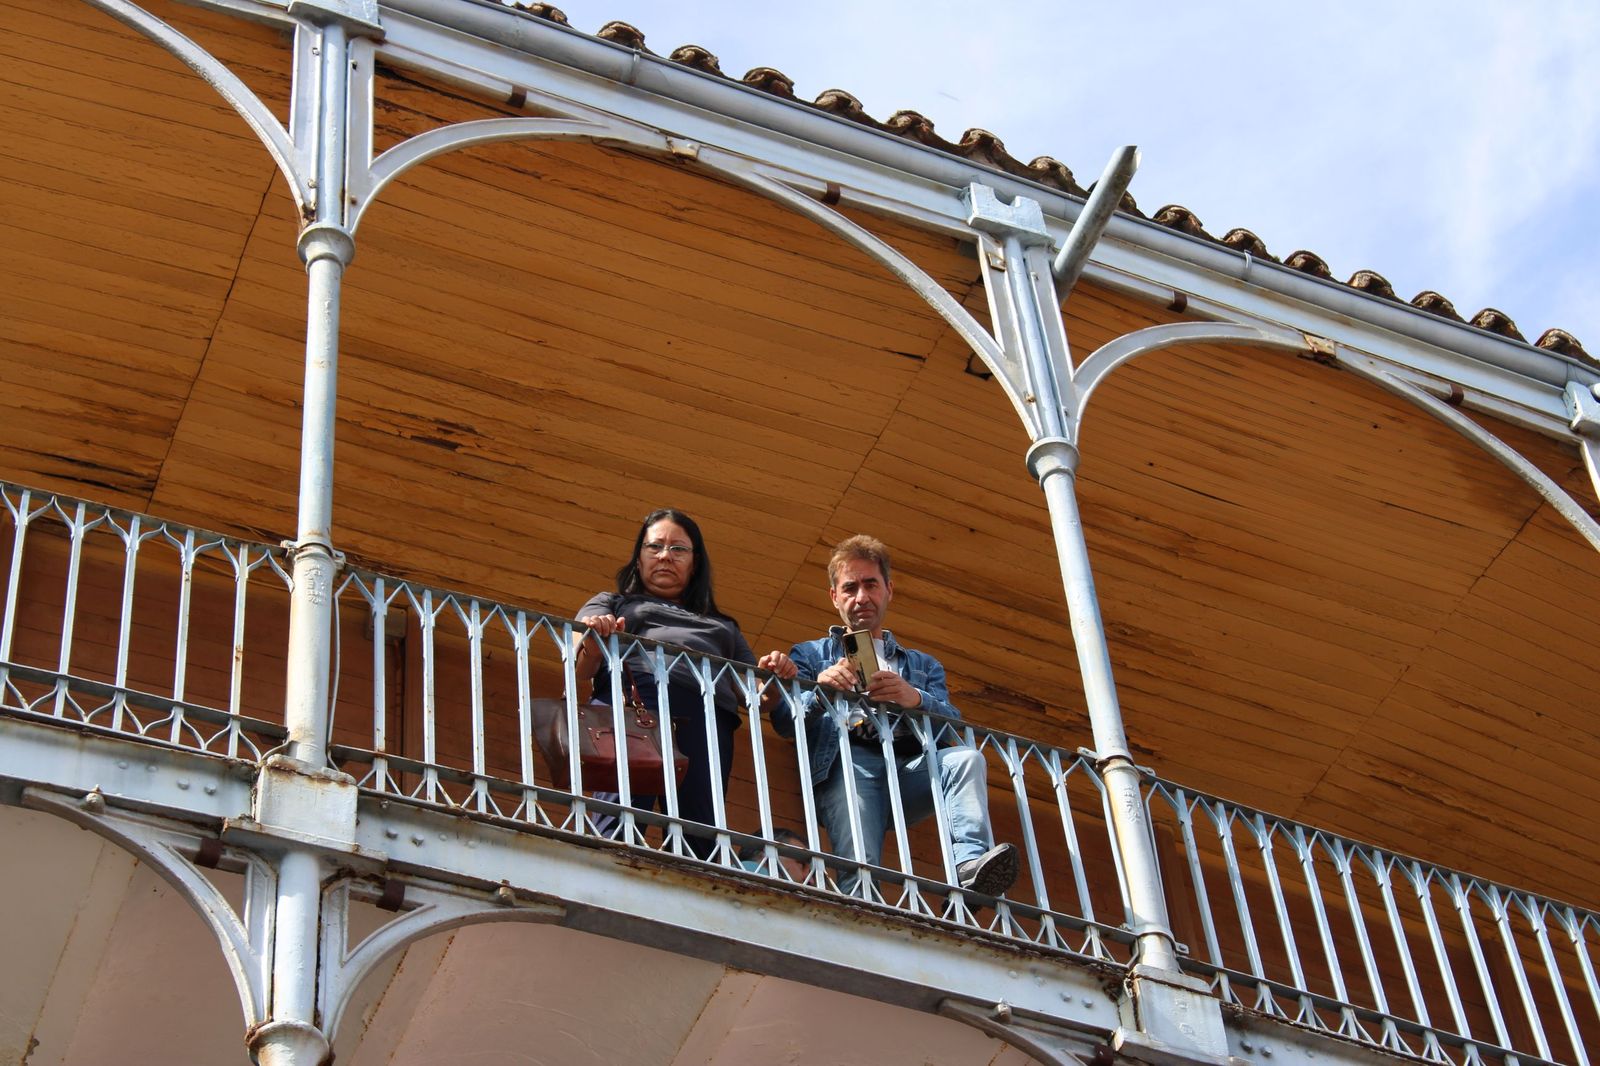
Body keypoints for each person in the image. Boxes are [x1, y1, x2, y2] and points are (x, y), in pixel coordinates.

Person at [777, 535, 1017, 896]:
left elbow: (951, 724)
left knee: (966, 759)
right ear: (834, 597)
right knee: (861, 870)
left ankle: (969, 866)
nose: (861, 598)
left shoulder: (922, 665)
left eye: (871, 585)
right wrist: (821, 689)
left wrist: (915, 698)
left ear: (889, 589)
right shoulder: (811, 654)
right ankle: (860, 914)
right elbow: (785, 721)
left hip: (909, 767)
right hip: (848, 765)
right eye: (850, 588)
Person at [574, 508, 795, 858]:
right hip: (636, 704)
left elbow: (755, 698)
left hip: (707, 718)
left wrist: (776, 675)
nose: (665, 556)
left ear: (695, 563)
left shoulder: (724, 627)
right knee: (618, 818)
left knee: (699, 831)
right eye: (655, 547)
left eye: (678, 549)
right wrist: (595, 634)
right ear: (638, 558)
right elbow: (580, 665)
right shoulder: (613, 603)